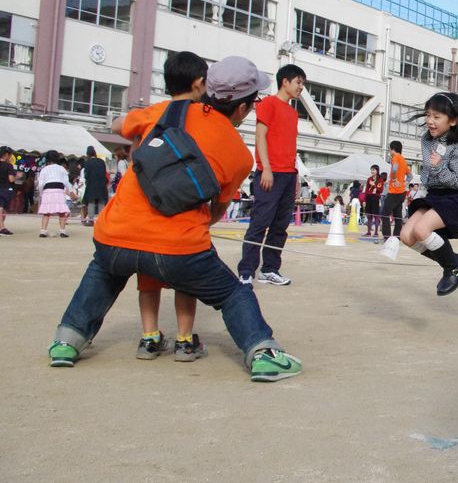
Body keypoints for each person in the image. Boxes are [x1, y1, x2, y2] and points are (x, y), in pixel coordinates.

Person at [48, 56, 302, 382]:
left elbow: (117, 126)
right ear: (242, 108)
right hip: (181, 249)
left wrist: (139, 134)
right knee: (232, 293)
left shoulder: (165, 111)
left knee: (104, 270)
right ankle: (263, 354)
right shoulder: (239, 155)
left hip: (116, 235)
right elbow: (216, 211)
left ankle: (67, 341)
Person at [134, 51, 210, 362]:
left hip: (149, 216)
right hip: (184, 216)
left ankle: (149, 338)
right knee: (185, 282)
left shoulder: (153, 112)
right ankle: (184, 341)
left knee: (148, 283)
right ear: (199, 83)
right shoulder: (204, 116)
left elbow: (120, 125)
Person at [399, 92, 458, 296]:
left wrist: (440, 167)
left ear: (453, 121)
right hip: (434, 195)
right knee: (406, 236)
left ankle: (452, 269)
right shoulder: (427, 140)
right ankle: (455, 262)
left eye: (436, 117)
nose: (430, 121)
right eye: (428, 115)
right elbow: (428, 170)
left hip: (456, 196)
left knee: (422, 230)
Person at [237, 64, 306, 286]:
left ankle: (270, 269)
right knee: (260, 223)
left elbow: (290, 145)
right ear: (285, 82)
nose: (301, 87)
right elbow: (260, 136)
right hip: (270, 173)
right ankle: (246, 271)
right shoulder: (268, 104)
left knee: (279, 226)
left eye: (302, 83)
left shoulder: (293, 113)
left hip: (288, 174)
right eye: (298, 82)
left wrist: (295, 176)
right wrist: (265, 167)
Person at [36, 150, 75, 238]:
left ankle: (43, 231)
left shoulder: (44, 169)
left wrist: (41, 193)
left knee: (46, 213)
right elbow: (66, 182)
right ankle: (62, 231)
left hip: (47, 190)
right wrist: (71, 192)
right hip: (59, 190)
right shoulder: (61, 168)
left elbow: (41, 184)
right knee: (62, 212)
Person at [380, 141, 410, 243]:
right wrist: (404, 183)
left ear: (393, 149)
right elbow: (410, 176)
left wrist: (393, 180)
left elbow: (394, 169)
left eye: (390, 148)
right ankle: (397, 237)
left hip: (394, 192)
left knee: (384, 214)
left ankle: (387, 237)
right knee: (398, 216)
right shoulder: (404, 160)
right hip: (402, 192)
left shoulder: (396, 157)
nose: (389, 151)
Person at [81, 145, 108, 226]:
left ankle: (91, 220)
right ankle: (101, 220)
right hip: (102, 184)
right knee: (101, 202)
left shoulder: (87, 162)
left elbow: (86, 175)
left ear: (88, 154)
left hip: (91, 184)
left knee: (91, 202)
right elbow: (104, 173)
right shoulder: (101, 161)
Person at [0, 146, 18, 235]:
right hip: (5, 189)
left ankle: (1, 227)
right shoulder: (9, 166)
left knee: (2, 210)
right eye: (10, 155)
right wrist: (17, 176)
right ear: (6, 155)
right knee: (2, 209)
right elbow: (11, 179)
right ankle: (2, 228)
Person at [364, 165, 383, 237]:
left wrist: (374, 184)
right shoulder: (369, 179)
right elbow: (366, 190)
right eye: (371, 170)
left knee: (376, 216)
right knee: (369, 215)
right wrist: (365, 200)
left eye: (374, 170)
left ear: (377, 171)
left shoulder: (380, 179)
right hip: (369, 197)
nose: (372, 171)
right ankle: (368, 232)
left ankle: (376, 233)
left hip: (375, 198)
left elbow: (380, 190)